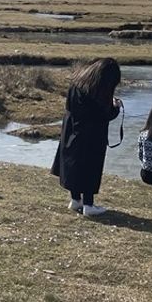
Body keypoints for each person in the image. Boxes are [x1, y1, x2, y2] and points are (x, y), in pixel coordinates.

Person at [51, 58, 122, 217]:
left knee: (73, 164)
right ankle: (89, 204)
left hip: (71, 129)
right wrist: (116, 108)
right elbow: (105, 114)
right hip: (92, 135)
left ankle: (75, 200)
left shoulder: (77, 83)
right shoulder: (98, 91)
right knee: (90, 167)